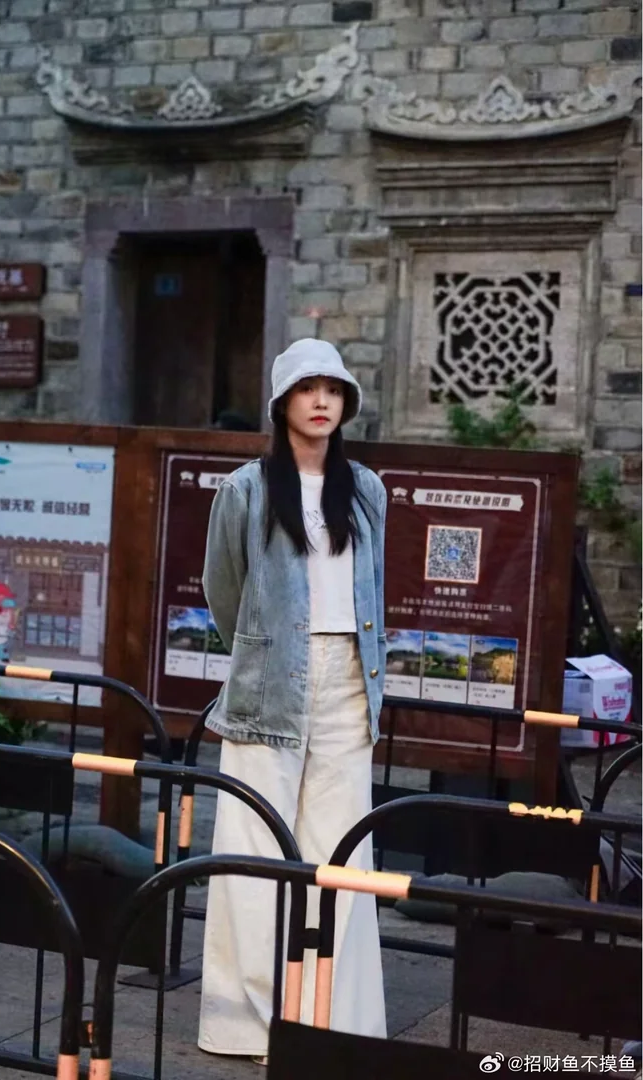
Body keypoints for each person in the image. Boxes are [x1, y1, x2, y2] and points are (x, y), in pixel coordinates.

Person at [197, 338, 388, 1063]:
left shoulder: (365, 490)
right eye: (308, 389)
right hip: (268, 685)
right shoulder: (245, 489)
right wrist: (263, 651)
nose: (321, 402)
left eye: (333, 390)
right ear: (282, 403)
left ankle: (332, 1023)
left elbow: (372, 589)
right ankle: (251, 1026)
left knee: (342, 858)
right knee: (253, 855)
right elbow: (223, 588)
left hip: (348, 683)